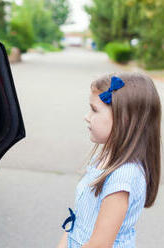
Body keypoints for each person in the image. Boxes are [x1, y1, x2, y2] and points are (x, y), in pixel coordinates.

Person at [57, 72, 161, 247]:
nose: (87, 116)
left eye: (94, 110)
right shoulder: (105, 157)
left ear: (124, 119)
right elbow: (79, 217)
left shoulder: (123, 176)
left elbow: (99, 245)